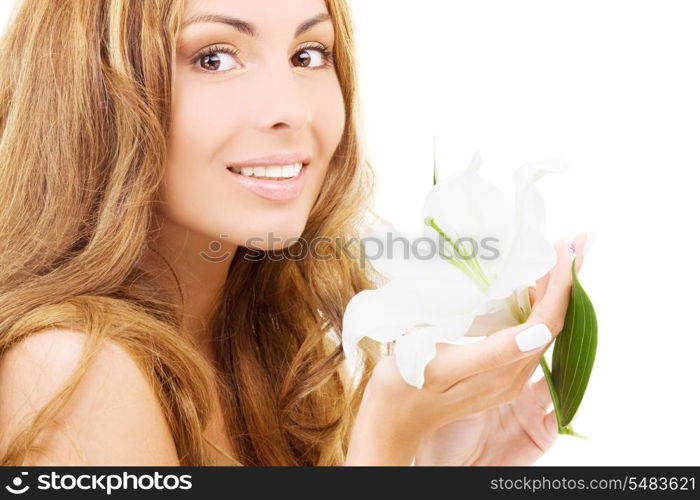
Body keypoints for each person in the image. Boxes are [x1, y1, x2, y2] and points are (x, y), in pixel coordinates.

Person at [0, 0, 586, 466]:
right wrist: (383, 440)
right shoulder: (70, 368)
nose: (290, 110)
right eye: (214, 58)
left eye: (309, 55)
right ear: (92, 98)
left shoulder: (269, 351)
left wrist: (439, 469)